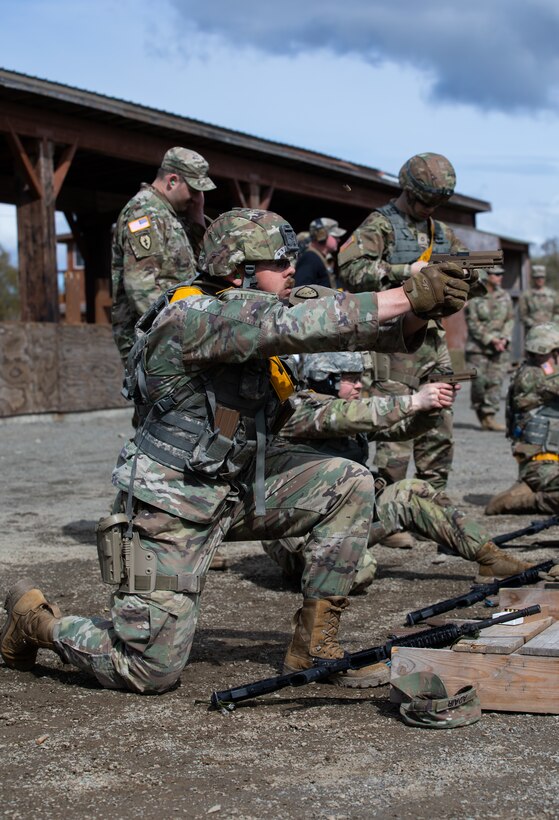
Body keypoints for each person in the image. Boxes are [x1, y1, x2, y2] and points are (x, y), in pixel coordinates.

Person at [0, 208, 471, 695]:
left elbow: (301, 412)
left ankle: (314, 644)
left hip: (239, 487)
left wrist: (417, 316)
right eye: (279, 259)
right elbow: (302, 323)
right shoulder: (196, 317)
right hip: (172, 506)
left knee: (349, 482)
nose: (293, 267)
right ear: (237, 268)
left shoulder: (251, 331)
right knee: (146, 670)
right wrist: (406, 294)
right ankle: (38, 623)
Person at [262, 350, 537, 622]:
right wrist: (416, 399)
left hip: (340, 522)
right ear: (324, 378)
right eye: (349, 378)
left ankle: (489, 558)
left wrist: (432, 408)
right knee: (361, 571)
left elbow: (397, 429)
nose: (359, 384)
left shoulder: (349, 410)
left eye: (360, 377)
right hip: (297, 534)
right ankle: (304, 570)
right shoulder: (301, 408)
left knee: (412, 491)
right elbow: (350, 415)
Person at [338, 152, 467, 547]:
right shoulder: (380, 225)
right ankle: (386, 510)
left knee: (440, 422)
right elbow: (350, 270)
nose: (430, 208)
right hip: (392, 342)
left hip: (434, 340)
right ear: (408, 190)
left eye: (437, 202)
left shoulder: (440, 232)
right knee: (394, 427)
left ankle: (431, 504)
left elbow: (466, 276)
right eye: (425, 200)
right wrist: (404, 273)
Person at [111, 146, 215, 363]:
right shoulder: (144, 212)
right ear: (173, 181)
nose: (198, 198)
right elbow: (141, 288)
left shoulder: (173, 215)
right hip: (154, 340)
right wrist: (179, 331)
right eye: (194, 190)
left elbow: (206, 264)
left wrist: (197, 220)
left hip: (175, 335)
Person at [486, 323, 559, 515]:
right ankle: (523, 501)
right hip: (543, 466)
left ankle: (528, 488)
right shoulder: (538, 375)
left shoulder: (534, 370)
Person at [465, 266, 513, 431]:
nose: (499, 277)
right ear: (488, 275)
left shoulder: (505, 296)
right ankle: (480, 410)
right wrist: (491, 339)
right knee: (479, 382)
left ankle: (489, 416)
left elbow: (510, 319)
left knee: (495, 382)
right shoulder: (476, 295)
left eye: (501, 274)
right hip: (478, 348)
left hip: (500, 348)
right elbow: (472, 322)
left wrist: (505, 338)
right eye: (496, 274)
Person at [294, 217, 346, 289]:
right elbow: (300, 290)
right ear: (322, 236)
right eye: (335, 236)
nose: (339, 240)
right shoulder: (310, 259)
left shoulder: (320, 258)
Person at [518, 265, 559, 332]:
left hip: (551, 331)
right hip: (533, 332)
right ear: (533, 278)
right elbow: (522, 315)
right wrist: (534, 325)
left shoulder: (553, 294)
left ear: (545, 278)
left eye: (542, 277)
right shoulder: (526, 295)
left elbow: (557, 312)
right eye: (537, 277)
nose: (540, 279)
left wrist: (551, 324)